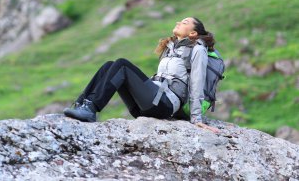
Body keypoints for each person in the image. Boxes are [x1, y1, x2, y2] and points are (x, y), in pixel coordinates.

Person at [63, 17, 220, 133]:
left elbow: (197, 82)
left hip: (164, 105)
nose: (179, 22)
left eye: (184, 22)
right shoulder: (171, 48)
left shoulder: (198, 50)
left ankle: (91, 109)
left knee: (122, 65)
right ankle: (82, 104)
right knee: (109, 66)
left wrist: (196, 119)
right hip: (145, 106)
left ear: (193, 32)